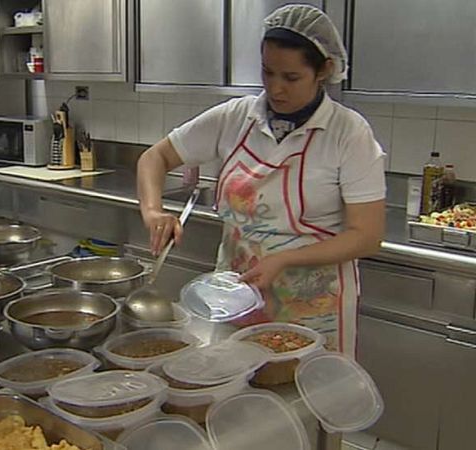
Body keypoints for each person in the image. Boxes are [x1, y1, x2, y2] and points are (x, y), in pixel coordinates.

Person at [136, 4, 385, 355]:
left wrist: (284, 259)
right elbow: (155, 157)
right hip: (236, 299)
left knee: (303, 402)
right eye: (268, 73)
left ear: (323, 71)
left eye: (291, 77)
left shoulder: (349, 134)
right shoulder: (235, 117)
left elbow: (367, 237)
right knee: (234, 396)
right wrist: (152, 211)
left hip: (314, 310)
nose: (276, 88)